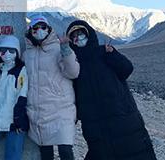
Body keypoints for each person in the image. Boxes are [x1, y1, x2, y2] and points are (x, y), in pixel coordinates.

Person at [66, 20, 156, 160]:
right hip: (95, 122)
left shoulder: (104, 52)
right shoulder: (74, 63)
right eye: (74, 36)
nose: (78, 38)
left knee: (134, 149)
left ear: (89, 35)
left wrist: (113, 54)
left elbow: (126, 69)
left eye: (81, 34)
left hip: (121, 114)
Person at [23, 16, 79, 160]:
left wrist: (66, 50)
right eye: (36, 28)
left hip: (61, 108)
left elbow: (73, 72)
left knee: (65, 150)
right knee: (45, 152)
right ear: (31, 31)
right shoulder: (27, 54)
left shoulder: (58, 48)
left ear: (49, 29)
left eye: (43, 27)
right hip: (38, 110)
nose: (40, 30)